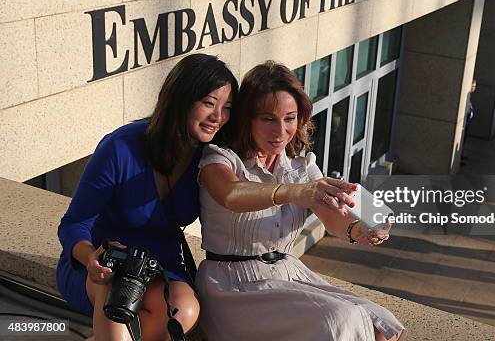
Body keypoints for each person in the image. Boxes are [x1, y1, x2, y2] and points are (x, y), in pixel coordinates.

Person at [196, 61, 404, 341]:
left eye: (289, 118)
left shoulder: (300, 165)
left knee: (382, 326)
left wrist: (360, 230)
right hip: (233, 286)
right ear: (247, 119)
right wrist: (294, 192)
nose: (280, 131)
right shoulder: (220, 159)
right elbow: (231, 195)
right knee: (341, 319)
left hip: (287, 273)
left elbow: (331, 214)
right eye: (268, 119)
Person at [56, 54, 239, 340]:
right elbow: (73, 223)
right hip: (101, 266)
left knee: (185, 310)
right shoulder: (121, 146)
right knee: (115, 295)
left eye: (226, 108)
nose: (218, 117)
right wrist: (92, 257)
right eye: (208, 103)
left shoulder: (209, 159)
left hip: (160, 265)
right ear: (180, 99)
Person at [461, 79, 476, 166]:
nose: (475, 88)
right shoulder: (467, 96)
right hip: (465, 122)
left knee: (464, 139)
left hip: (467, 121)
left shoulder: (469, 95)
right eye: (474, 86)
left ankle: (461, 155)